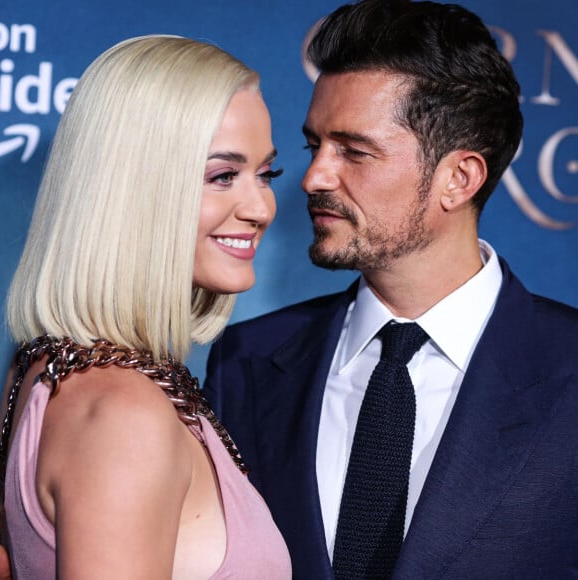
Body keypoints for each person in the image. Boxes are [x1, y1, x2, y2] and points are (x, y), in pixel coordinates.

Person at [204, 0, 578, 578]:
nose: (314, 177)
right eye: (314, 146)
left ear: (459, 178)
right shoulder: (246, 359)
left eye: (355, 151)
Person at [0, 35, 291, 579]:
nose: (261, 207)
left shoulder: (48, 368)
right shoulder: (124, 416)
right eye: (222, 176)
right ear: (137, 187)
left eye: (265, 173)